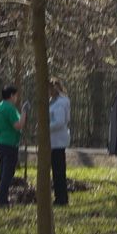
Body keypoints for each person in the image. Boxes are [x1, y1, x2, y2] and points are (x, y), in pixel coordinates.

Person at [0, 85, 25, 206]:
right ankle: (2, 200)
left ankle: (0, 197)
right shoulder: (10, 108)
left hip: (0, 142)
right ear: (11, 95)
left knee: (2, 171)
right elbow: (18, 125)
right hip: (10, 143)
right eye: (16, 95)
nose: (17, 98)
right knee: (8, 173)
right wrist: (24, 112)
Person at [48, 78, 71, 207]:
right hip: (53, 140)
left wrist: (45, 127)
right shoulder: (52, 101)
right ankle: (59, 196)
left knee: (58, 171)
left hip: (58, 141)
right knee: (56, 170)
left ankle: (61, 198)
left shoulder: (61, 103)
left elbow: (59, 121)